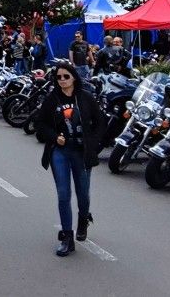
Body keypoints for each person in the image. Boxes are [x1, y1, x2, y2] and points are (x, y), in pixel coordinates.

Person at [35, 62, 106, 257]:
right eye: (59, 77)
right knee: (63, 194)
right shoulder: (52, 99)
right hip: (60, 151)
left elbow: (100, 123)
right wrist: (53, 137)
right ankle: (67, 236)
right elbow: (40, 124)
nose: (62, 80)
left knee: (83, 194)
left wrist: (93, 143)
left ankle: (83, 218)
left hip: (81, 152)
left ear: (74, 77)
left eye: (66, 76)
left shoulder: (85, 98)